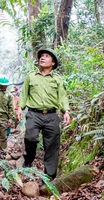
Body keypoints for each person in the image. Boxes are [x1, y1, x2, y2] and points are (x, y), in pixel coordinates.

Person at [16, 48, 70, 180]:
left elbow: (62, 96)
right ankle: (28, 159)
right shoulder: (31, 76)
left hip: (52, 116)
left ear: (53, 63)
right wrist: (19, 108)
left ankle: (49, 177)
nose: (42, 58)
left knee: (52, 146)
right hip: (34, 114)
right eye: (41, 56)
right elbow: (24, 94)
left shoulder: (57, 79)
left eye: (46, 56)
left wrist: (66, 111)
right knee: (31, 137)